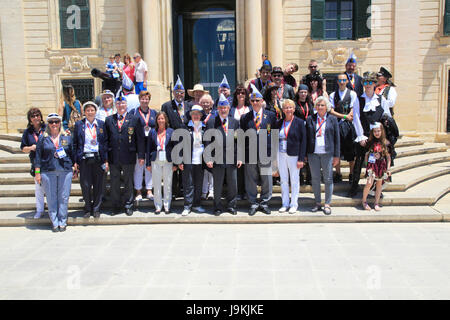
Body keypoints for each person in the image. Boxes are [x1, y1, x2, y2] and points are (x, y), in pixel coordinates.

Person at [349, 71, 392, 197]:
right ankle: (354, 186)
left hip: (377, 136)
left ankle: (376, 187)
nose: (367, 85)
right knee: (359, 161)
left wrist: (384, 136)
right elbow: (356, 118)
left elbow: (387, 117)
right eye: (365, 83)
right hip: (364, 135)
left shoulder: (381, 99)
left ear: (374, 84)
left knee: (378, 162)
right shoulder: (359, 99)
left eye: (370, 83)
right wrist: (361, 136)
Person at [104, 94, 145, 216]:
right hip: (114, 156)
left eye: (123, 103)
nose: (120, 105)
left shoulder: (134, 119)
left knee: (128, 181)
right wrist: (106, 158)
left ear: (126, 105)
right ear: (115, 105)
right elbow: (106, 139)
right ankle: (115, 206)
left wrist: (141, 155)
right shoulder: (109, 120)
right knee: (115, 182)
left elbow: (140, 139)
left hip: (129, 155)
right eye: (118, 103)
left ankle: (128, 205)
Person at [34, 113, 75, 232]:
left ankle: (63, 221)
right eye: (51, 122)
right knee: (51, 197)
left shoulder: (66, 137)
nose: (54, 124)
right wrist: (37, 172)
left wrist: (75, 166)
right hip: (48, 171)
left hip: (65, 171)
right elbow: (38, 156)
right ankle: (54, 221)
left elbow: (72, 153)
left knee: (63, 196)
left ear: (60, 123)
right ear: (48, 124)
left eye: (56, 122)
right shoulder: (43, 138)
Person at [240, 84, 277, 216]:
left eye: (257, 100)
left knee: (267, 178)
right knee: (250, 179)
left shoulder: (271, 116)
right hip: (250, 154)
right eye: (253, 101)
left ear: (262, 101)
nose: (255, 103)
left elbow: (273, 136)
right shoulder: (245, 117)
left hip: (266, 153)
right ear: (250, 102)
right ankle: (253, 203)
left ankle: (265, 202)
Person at [205, 94, 242, 216]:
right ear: (218, 109)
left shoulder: (235, 122)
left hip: (232, 157)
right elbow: (207, 141)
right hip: (217, 157)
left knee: (232, 184)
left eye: (225, 107)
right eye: (221, 108)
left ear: (229, 108)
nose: (223, 110)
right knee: (218, 184)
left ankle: (231, 206)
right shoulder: (211, 122)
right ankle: (217, 207)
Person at [73, 102, 108, 219]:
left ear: (95, 111)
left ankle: (97, 208)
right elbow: (75, 143)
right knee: (86, 185)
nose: (90, 112)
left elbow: (105, 143)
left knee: (99, 184)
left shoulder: (102, 125)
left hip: (98, 158)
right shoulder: (79, 125)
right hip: (84, 159)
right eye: (87, 110)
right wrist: (75, 161)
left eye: (92, 110)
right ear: (84, 112)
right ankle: (88, 208)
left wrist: (106, 160)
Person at [305, 97, 340, 215]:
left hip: (327, 153)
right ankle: (318, 202)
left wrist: (337, 156)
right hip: (313, 153)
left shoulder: (333, 119)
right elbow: (306, 137)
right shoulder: (310, 119)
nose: (320, 107)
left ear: (327, 107)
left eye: (322, 105)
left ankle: (327, 203)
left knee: (328, 179)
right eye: (318, 105)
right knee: (315, 179)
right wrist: (305, 154)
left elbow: (337, 139)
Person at [276, 99, 306, 214]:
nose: (288, 110)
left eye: (290, 107)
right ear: (283, 110)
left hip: (294, 155)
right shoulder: (279, 123)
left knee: (294, 180)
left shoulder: (299, 122)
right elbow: (272, 135)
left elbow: (303, 141)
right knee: (283, 180)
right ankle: (285, 203)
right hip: (281, 154)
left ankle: (294, 204)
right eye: (286, 108)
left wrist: (301, 159)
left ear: (293, 109)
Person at [329, 73, 359, 183]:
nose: (342, 82)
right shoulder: (333, 95)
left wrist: (348, 116)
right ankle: (338, 173)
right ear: (337, 82)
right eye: (340, 80)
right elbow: (331, 111)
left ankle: (351, 173)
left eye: (344, 80)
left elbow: (353, 109)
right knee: (337, 150)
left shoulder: (352, 94)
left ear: (347, 81)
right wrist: (344, 116)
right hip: (337, 125)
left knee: (351, 150)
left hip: (349, 126)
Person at [178, 105, 207, 216]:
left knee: (198, 184)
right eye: (193, 114)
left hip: (200, 160)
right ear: (190, 115)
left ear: (201, 115)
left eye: (198, 114)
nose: (195, 116)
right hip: (188, 159)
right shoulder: (185, 127)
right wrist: (179, 160)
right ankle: (187, 206)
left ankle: (197, 205)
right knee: (188, 184)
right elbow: (179, 145)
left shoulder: (205, 127)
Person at [129, 90, 157, 202]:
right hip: (138, 145)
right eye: (142, 99)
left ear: (149, 100)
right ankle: (139, 191)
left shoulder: (154, 113)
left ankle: (149, 190)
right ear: (139, 100)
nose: (144, 101)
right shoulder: (133, 112)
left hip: (150, 144)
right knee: (138, 168)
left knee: (150, 168)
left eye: (146, 99)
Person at [147, 112, 176, 214]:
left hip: (168, 160)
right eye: (159, 119)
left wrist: (176, 164)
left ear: (166, 120)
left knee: (168, 183)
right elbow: (148, 148)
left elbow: (174, 148)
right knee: (157, 183)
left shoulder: (171, 131)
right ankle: (158, 206)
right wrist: (148, 164)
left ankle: (167, 205)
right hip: (156, 160)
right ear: (156, 120)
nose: (161, 120)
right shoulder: (152, 132)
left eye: (162, 118)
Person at [20, 108, 46, 219]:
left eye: (37, 115)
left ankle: (53, 210)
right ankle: (40, 210)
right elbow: (23, 148)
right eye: (33, 116)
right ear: (30, 119)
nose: (36, 118)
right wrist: (31, 147)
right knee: (39, 188)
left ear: (41, 117)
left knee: (50, 189)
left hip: (48, 162)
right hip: (36, 163)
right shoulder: (27, 132)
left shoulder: (47, 128)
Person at [361, 123, 392, 211]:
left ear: (382, 131)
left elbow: (388, 157)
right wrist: (367, 166)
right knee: (369, 183)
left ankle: (376, 203)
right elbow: (366, 155)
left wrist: (388, 168)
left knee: (379, 185)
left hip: (381, 166)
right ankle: (364, 201)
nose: (377, 133)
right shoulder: (370, 142)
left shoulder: (386, 143)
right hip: (372, 166)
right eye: (375, 131)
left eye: (378, 131)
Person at [230, 85, 251, 200]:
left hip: (248, 141)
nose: (241, 95)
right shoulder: (232, 109)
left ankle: (248, 191)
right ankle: (239, 191)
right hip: (235, 141)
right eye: (238, 93)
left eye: (243, 93)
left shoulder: (250, 108)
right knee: (238, 167)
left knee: (247, 168)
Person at [294, 84, 314, 185]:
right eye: (301, 92)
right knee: (300, 154)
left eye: (305, 92)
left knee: (309, 154)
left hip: (308, 131)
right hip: (298, 131)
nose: (303, 94)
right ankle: (300, 177)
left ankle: (309, 177)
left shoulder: (310, 104)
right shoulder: (295, 104)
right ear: (298, 93)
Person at [199, 93, 216, 200]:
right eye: (203, 102)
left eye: (208, 102)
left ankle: (211, 191)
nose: (205, 104)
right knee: (204, 170)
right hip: (200, 145)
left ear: (211, 104)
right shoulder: (198, 115)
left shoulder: (215, 115)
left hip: (213, 145)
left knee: (212, 170)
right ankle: (204, 191)